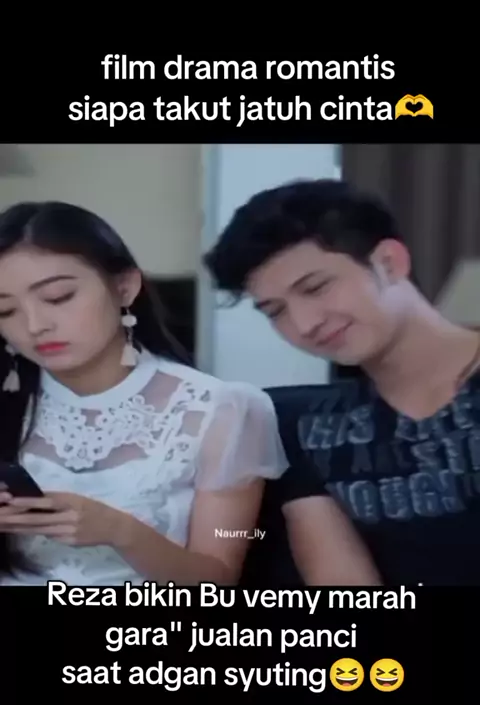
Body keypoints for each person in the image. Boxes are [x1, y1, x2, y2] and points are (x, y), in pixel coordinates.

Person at [203, 178, 480, 586]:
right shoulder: (301, 427)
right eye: (275, 311)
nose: (304, 324)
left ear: (389, 263)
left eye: (316, 288)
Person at [0, 200, 288, 586]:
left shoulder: (224, 409)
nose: (35, 325)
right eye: (6, 312)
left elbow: (217, 581)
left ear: (124, 287)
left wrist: (120, 531)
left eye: (58, 297)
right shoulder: (10, 405)